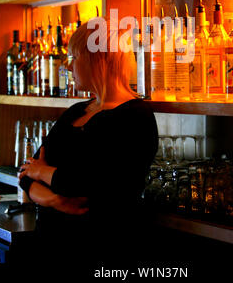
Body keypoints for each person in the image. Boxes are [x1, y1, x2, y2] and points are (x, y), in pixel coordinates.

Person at [18, 19, 158, 277]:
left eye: (74, 57)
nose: (68, 66)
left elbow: (91, 185)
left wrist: (44, 173)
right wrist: (56, 199)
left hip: (101, 253)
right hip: (51, 249)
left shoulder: (135, 117)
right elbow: (25, 173)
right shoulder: (76, 111)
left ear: (99, 58)